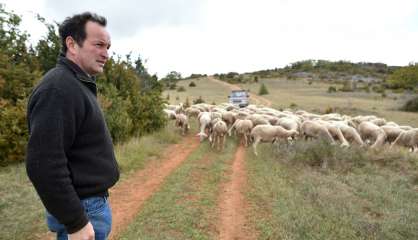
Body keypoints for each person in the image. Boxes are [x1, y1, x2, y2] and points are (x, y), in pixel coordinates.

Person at [26, 12, 119, 240]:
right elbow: (43, 164)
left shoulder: (76, 84)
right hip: (83, 209)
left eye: (108, 47)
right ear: (72, 44)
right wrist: (76, 222)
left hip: (90, 205)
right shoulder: (58, 88)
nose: (106, 54)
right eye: (98, 45)